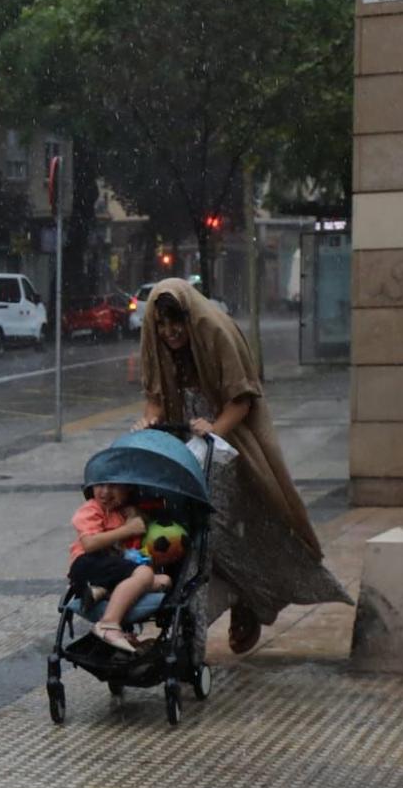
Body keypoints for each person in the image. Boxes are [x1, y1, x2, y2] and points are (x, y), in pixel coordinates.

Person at [138, 278, 340, 653]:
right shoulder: (156, 339)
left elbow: (241, 401)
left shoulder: (214, 331)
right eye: (162, 325)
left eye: (175, 323)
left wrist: (212, 432)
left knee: (224, 533)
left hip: (225, 448)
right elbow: (154, 397)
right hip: (184, 448)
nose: (169, 333)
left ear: (188, 317)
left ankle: (236, 606)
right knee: (187, 535)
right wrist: (150, 420)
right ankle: (203, 618)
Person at [69, 482, 169, 654]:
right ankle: (109, 623)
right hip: (87, 564)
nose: (105, 492)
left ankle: (100, 591)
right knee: (144, 574)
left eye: (114, 486)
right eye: (99, 485)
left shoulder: (126, 511)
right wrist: (128, 530)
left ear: (128, 488)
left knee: (164, 580)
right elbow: (89, 544)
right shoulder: (92, 509)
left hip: (109, 571)